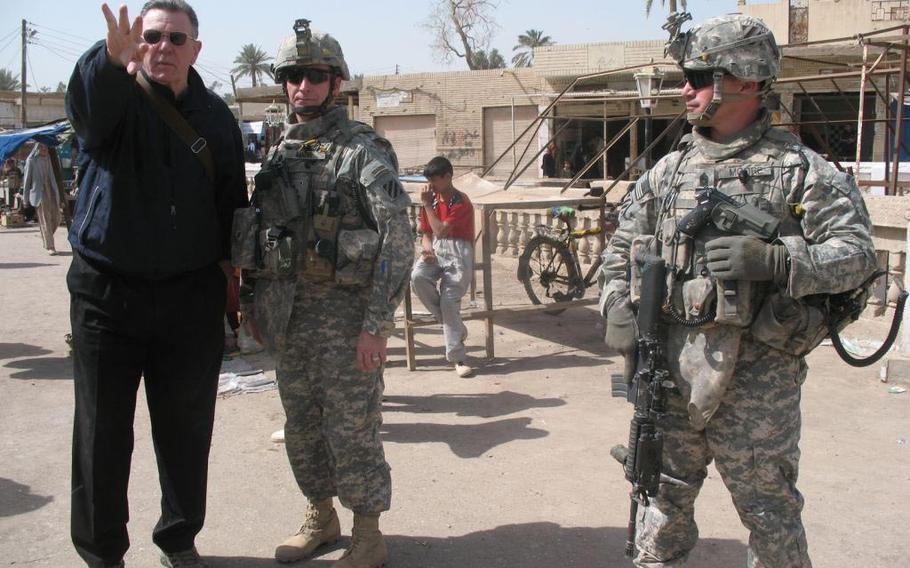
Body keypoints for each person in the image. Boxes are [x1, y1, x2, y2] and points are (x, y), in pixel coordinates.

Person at [599, 13, 876, 568]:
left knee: (769, 512)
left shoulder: (800, 170)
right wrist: (616, 309)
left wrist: (776, 260)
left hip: (758, 376)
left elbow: (859, 257)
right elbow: (618, 250)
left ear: (745, 80)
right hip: (670, 368)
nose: (686, 89)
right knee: (659, 499)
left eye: (700, 76)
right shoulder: (668, 172)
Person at [64, 2, 247, 567]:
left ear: (196, 48)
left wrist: (233, 285)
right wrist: (104, 59)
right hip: (106, 292)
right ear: (135, 43)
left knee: (187, 430)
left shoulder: (216, 118)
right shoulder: (114, 99)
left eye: (175, 37)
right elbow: (87, 114)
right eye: (151, 36)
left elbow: (231, 205)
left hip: (190, 297)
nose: (162, 46)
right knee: (102, 434)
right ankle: (101, 554)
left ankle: (179, 537)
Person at [235, 19, 412, 568]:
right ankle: (320, 512)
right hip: (289, 319)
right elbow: (261, 234)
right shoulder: (282, 153)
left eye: (314, 76)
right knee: (302, 425)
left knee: (353, 430)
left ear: (335, 83)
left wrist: (376, 326)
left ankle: (368, 532)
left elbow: (398, 239)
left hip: (346, 321)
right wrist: (252, 306)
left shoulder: (362, 151)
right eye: (292, 76)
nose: (301, 87)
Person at [411, 156, 475, 377]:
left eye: (435, 180)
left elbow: (441, 230)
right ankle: (455, 326)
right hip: (438, 249)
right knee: (417, 277)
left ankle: (458, 358)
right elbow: (428, 233)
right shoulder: (433, 201)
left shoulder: (460, 201)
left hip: (459, 251)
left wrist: (427, 204)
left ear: (448, 177)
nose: (431, 186)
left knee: (449, 300)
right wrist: (427, 249)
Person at [22, 143, 62, 255]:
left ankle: (46, 237)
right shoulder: (32, 161)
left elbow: (57, 176)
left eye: (45, 146)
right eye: (41, 146)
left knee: (57, 218)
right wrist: (25, 200)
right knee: (45, 220)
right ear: (37, 148)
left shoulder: (52, 159)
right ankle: (51, 246)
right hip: (40, 194)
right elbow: (27, 182)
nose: (44, 148)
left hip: (52, 192)